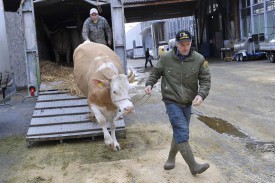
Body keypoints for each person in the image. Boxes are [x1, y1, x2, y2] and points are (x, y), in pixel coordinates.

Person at [144, 30, 211, 175]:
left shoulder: (200, 59)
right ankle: (193, 166)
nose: (185, 47)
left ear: (191, 43)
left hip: (187, 101)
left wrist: (201, 94)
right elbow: (155, 72)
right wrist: (149, 83)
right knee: (181, 130)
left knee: (179, 132)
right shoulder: (166, 57)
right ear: (176, 44)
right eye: (182, 44)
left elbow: (205, 80)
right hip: (171, 99)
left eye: (188, 44)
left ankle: (170, 158)